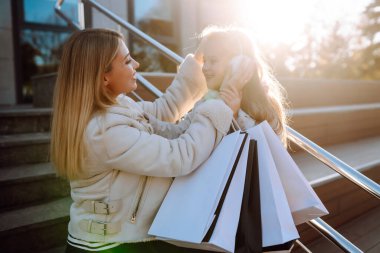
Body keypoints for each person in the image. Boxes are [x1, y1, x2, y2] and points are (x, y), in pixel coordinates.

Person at [50, 28, 249, 253]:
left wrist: (199, 57)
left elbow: (163, 111)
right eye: (126, 61)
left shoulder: (118, 107)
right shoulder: (104, 130)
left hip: (124, 236)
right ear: (104, 76)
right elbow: (180, 156)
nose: (136, 64)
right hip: (109, 245)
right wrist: (221, 106)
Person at [148, 25, 288, 147]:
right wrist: (147, 121)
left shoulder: (265, 104)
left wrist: (235, 115)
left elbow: (267, 148)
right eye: (205, 60)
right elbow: (180, 131)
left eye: (213, 61)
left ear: (236, 64)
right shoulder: (207, 101)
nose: (205, 67)